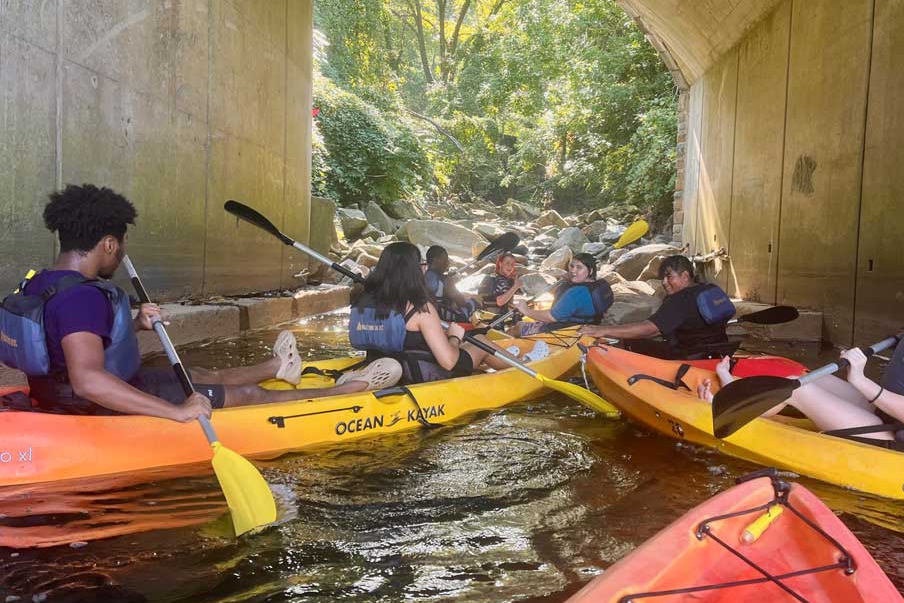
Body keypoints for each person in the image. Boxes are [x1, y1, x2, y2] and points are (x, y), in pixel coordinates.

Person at [0, 184, 399, 421]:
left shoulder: (41, 282)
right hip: (88, 404)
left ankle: (281, 368)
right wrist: (178, 413)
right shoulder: (83, 298)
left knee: (201, 374)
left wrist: (134, 324)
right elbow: (88, 379)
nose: (120, 255)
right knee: (247, 398)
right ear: (107, 243)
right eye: (119, 247)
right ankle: (348, 394)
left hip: (60, 391)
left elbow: (59, 337)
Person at [709, 254, 904, 454]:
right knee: (808, 379)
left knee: (798, 390)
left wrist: (860, 380)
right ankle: (738, 392)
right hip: (892, 420)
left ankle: (727, 406)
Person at [350, 242, 521, 382]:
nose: (424, 269)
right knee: (478, 341)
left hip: (383, 366)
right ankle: (524, 366)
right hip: (420, 374)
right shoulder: (419, 308)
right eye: (421, 265)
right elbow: (448, 362)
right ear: (414, 270)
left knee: (459, 341)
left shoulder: (362, 300)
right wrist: (454, 337)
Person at [580, 255, 737, 358]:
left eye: (669, 277)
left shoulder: (680, 300)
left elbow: (650, 329)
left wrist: (603, 330)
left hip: (690, 355)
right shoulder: (709, 289)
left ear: (685, 276)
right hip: (719, 351)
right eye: (663, 278)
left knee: (628, 342)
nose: (664, 282)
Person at [512, 253, 613, 336]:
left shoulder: (575, 293)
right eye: (572, 266)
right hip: (590, 324)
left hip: (566, 330)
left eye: (579, 268)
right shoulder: (601, 285)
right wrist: (569, 281)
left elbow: (551, 317)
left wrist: (526, 310)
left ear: (590, 271)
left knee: (519, 326)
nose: (573, 270)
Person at [423, 245, 481, 322]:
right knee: (472, 303)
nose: (447, 263)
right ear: (436, 260)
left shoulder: (422, 276)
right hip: (442, 316)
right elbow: (460, 301)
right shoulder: (444, 280)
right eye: (445, 260)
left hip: (426, 313)